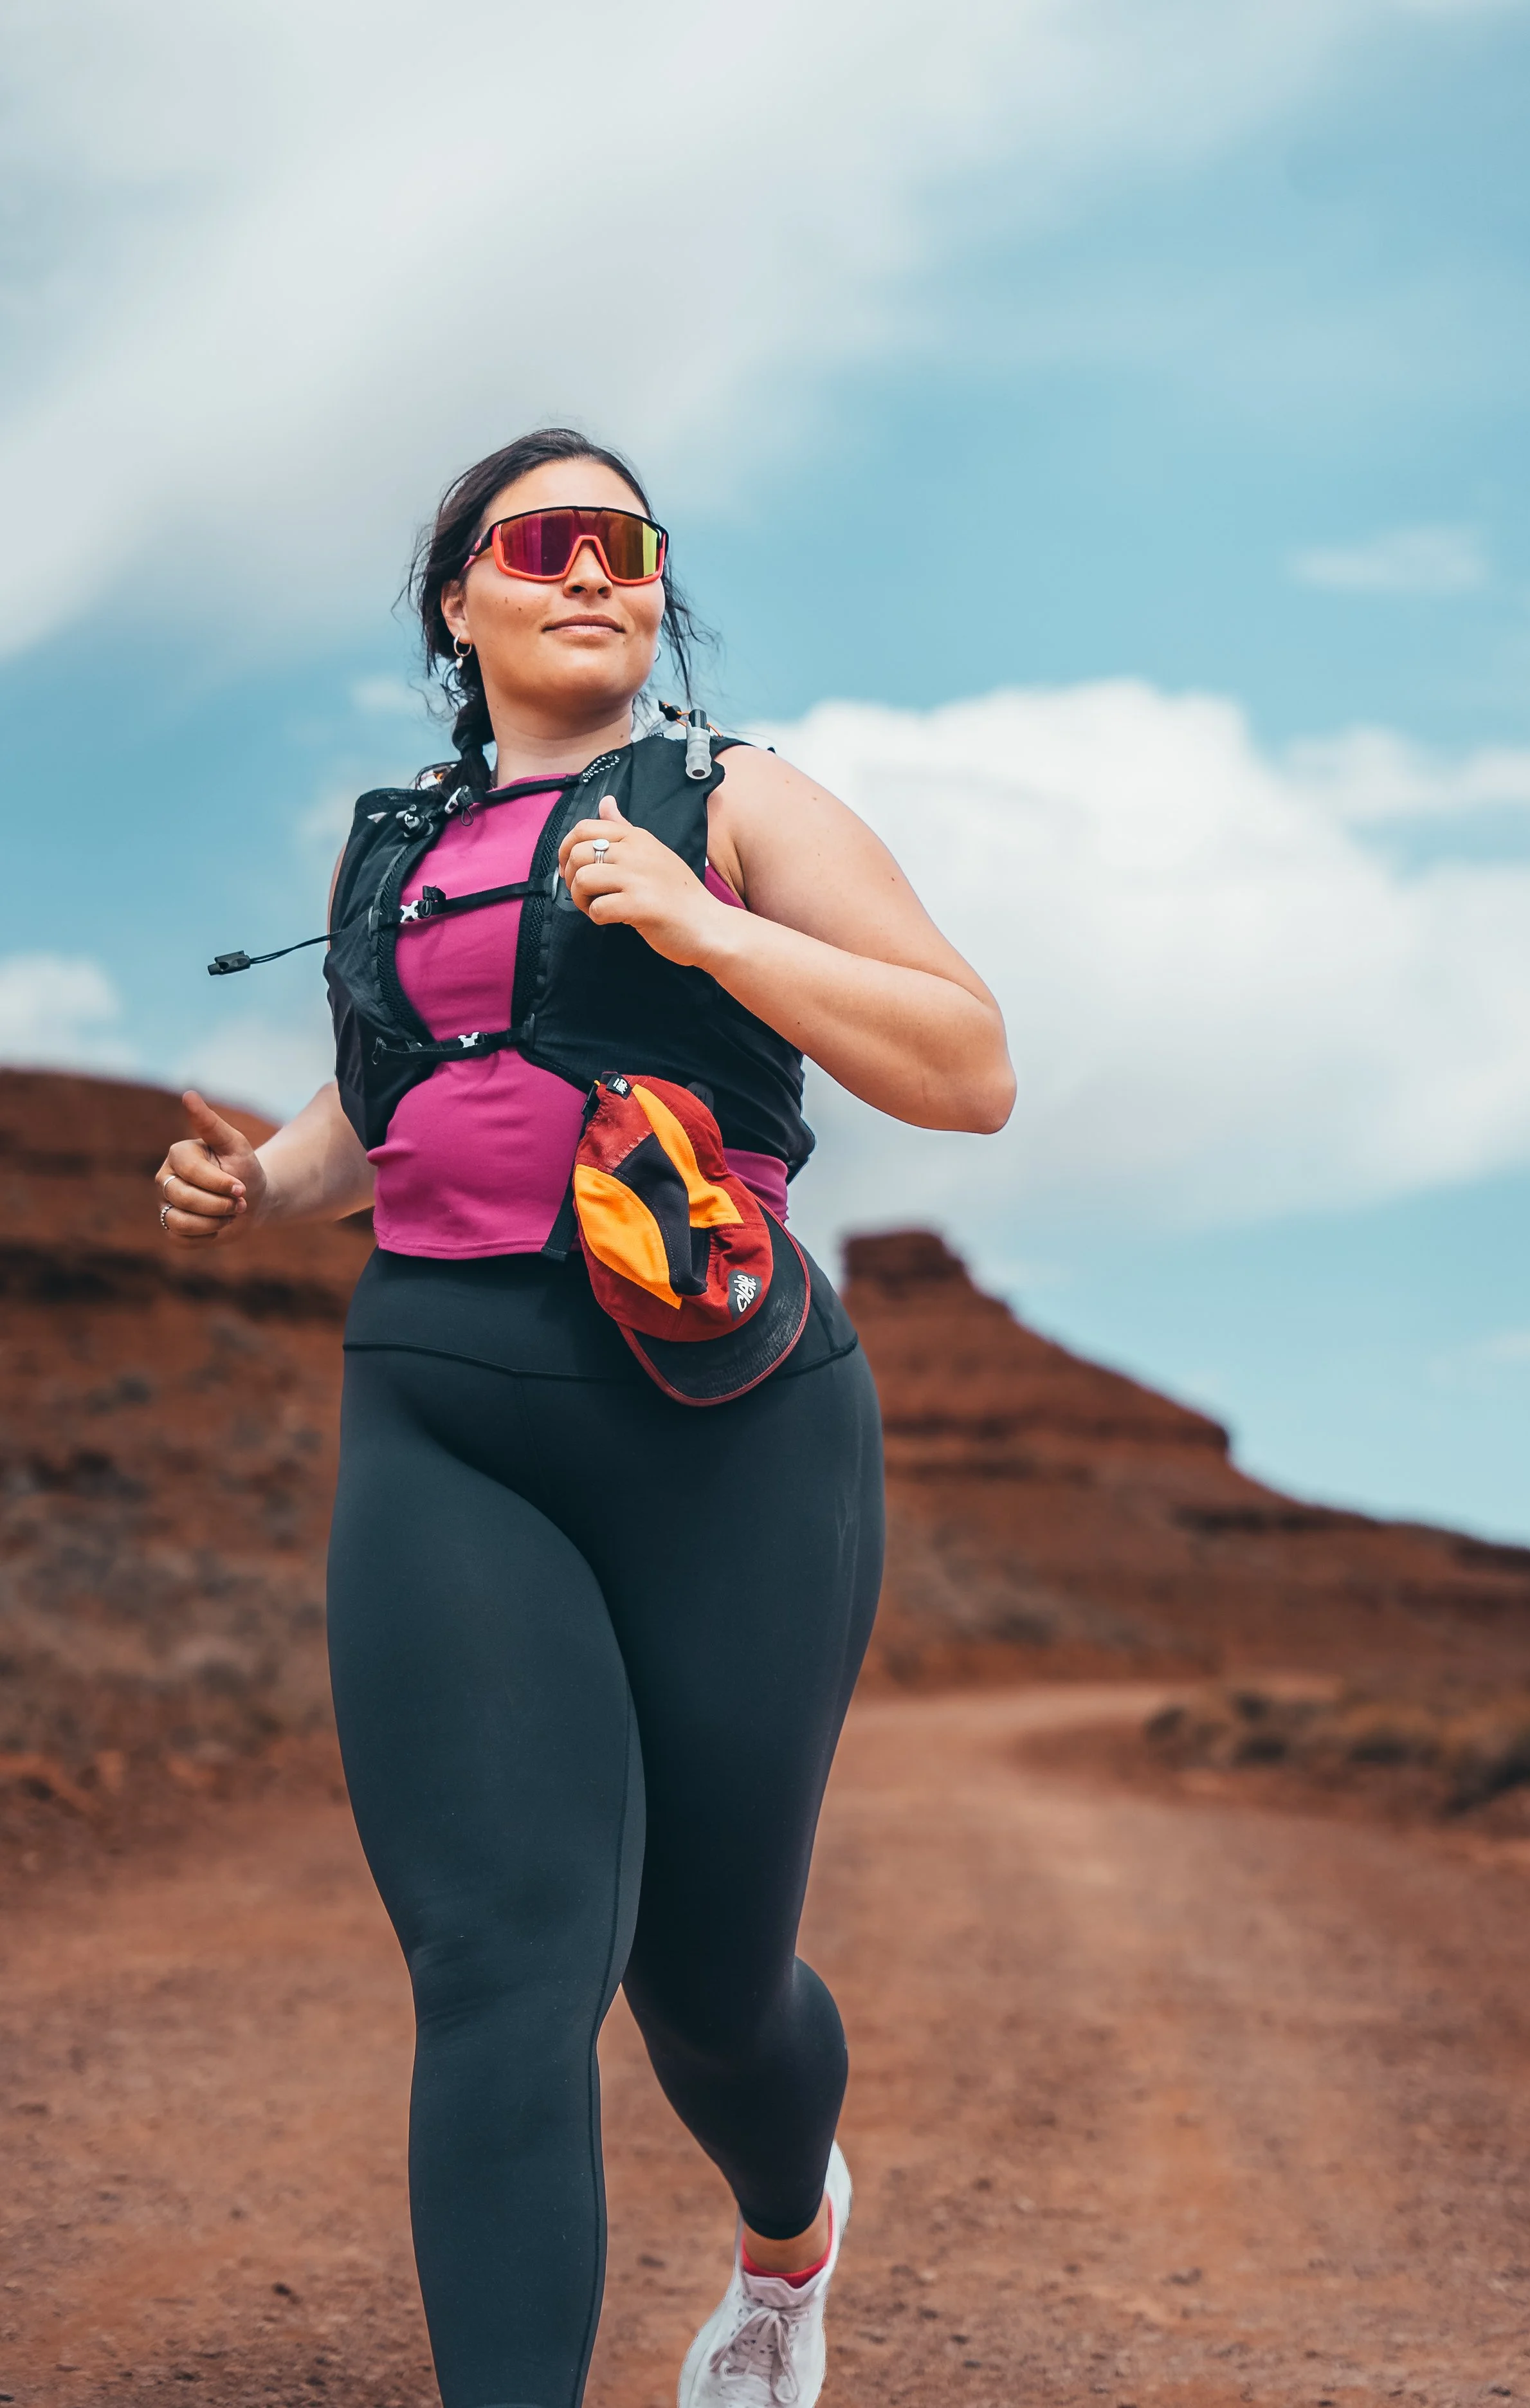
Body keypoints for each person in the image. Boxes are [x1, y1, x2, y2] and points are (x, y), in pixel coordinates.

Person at [155, 427, 1014, 2408]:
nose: (595, 570)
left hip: (725, 1421)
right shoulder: (399, 847)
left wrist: (707, 923)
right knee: (501, 1967)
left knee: (706, 1989)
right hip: (446, 1422)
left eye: (629, 543)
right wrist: (260, 1188)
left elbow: (967, 1067)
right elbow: (394, 1103)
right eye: (544, 540)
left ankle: (787, 2241)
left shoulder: (735, 800)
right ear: (458, 599)